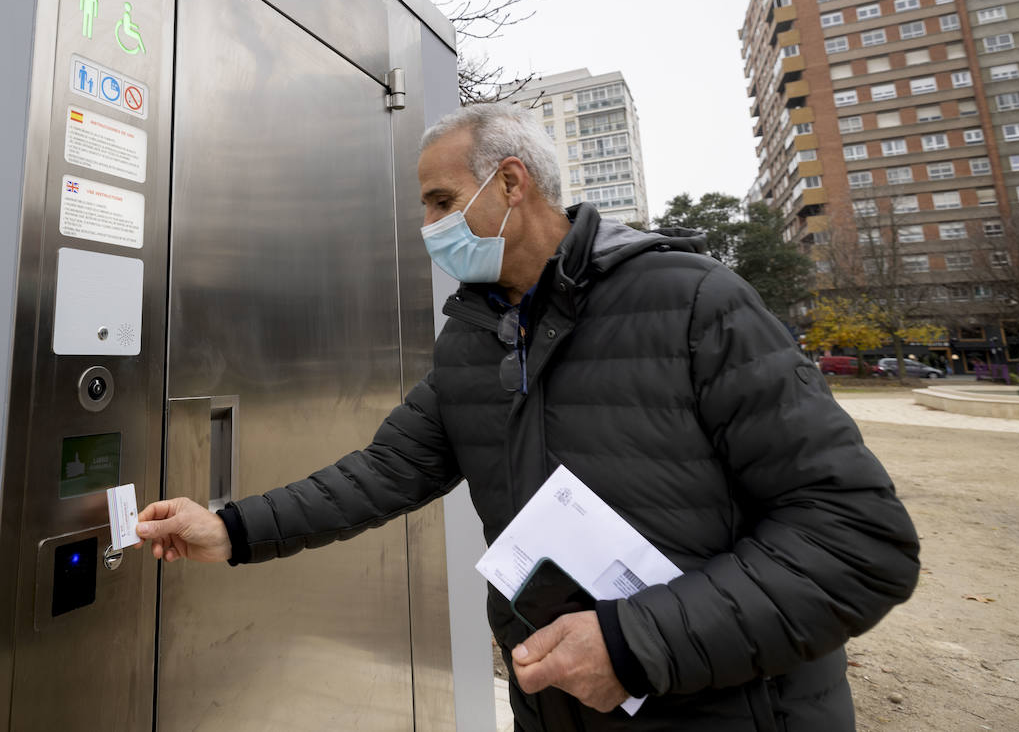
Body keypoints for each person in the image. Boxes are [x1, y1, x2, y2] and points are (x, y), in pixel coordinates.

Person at [136, 103, 919, 731]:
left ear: (510, 184)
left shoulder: (691, 303)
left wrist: (631, 645)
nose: (430, 225)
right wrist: (232, 529)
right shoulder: (473, 338)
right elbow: (381, 473)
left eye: (442, 201)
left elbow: (857, 540)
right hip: (555, 708)